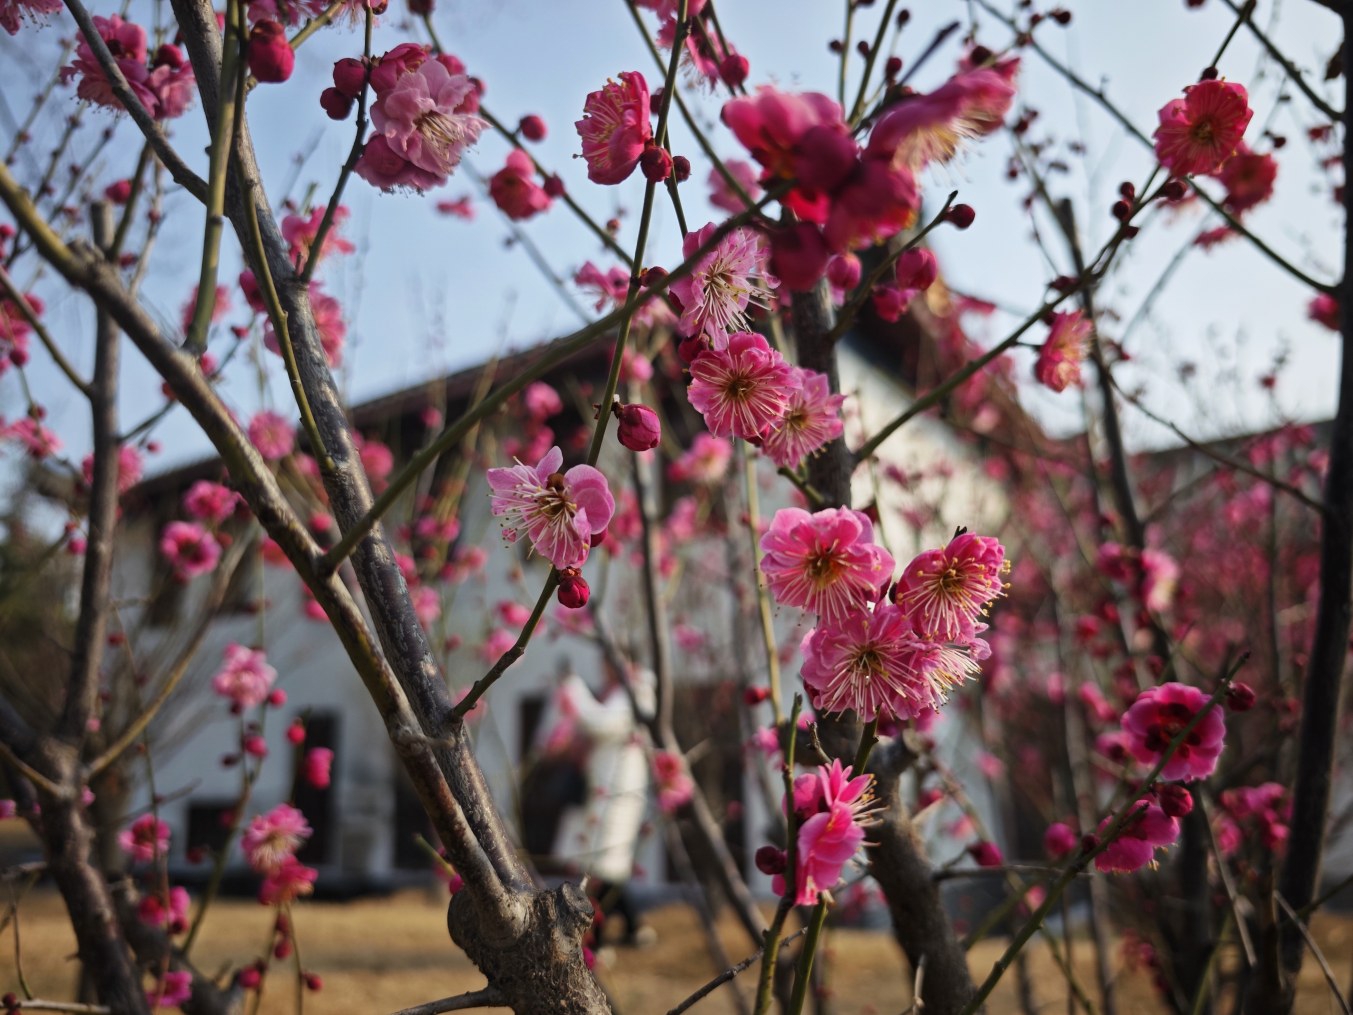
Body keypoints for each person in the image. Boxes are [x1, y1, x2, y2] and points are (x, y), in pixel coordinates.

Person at [552, 659, 657, 947]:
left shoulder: (634, 692)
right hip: (602, 792)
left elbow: (600, 723)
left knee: (603, 867)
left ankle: (600, 940)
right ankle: (627, 930)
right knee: (600, 866)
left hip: (616, 793)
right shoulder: (615, 693)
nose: (604, 669)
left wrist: (573, 686)